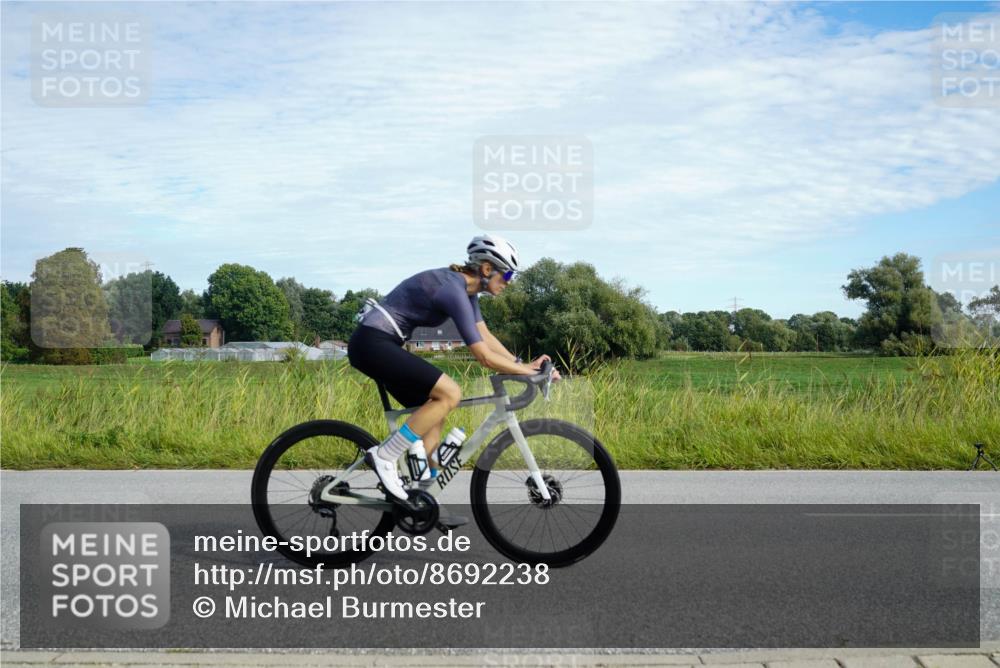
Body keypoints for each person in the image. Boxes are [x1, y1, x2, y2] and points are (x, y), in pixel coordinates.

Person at [347, 234, 560, 523]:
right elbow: (483, 356)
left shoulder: (467, 293)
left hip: (382, 344)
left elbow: (485, 336)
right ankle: (384, 456)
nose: (509, 281)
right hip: (372, 343)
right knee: (450, 393)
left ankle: (421, 497)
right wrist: (530, 373)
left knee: (435, 407)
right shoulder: (453, 289)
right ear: (486, 269)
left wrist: (522, 364)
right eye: (507, 273)